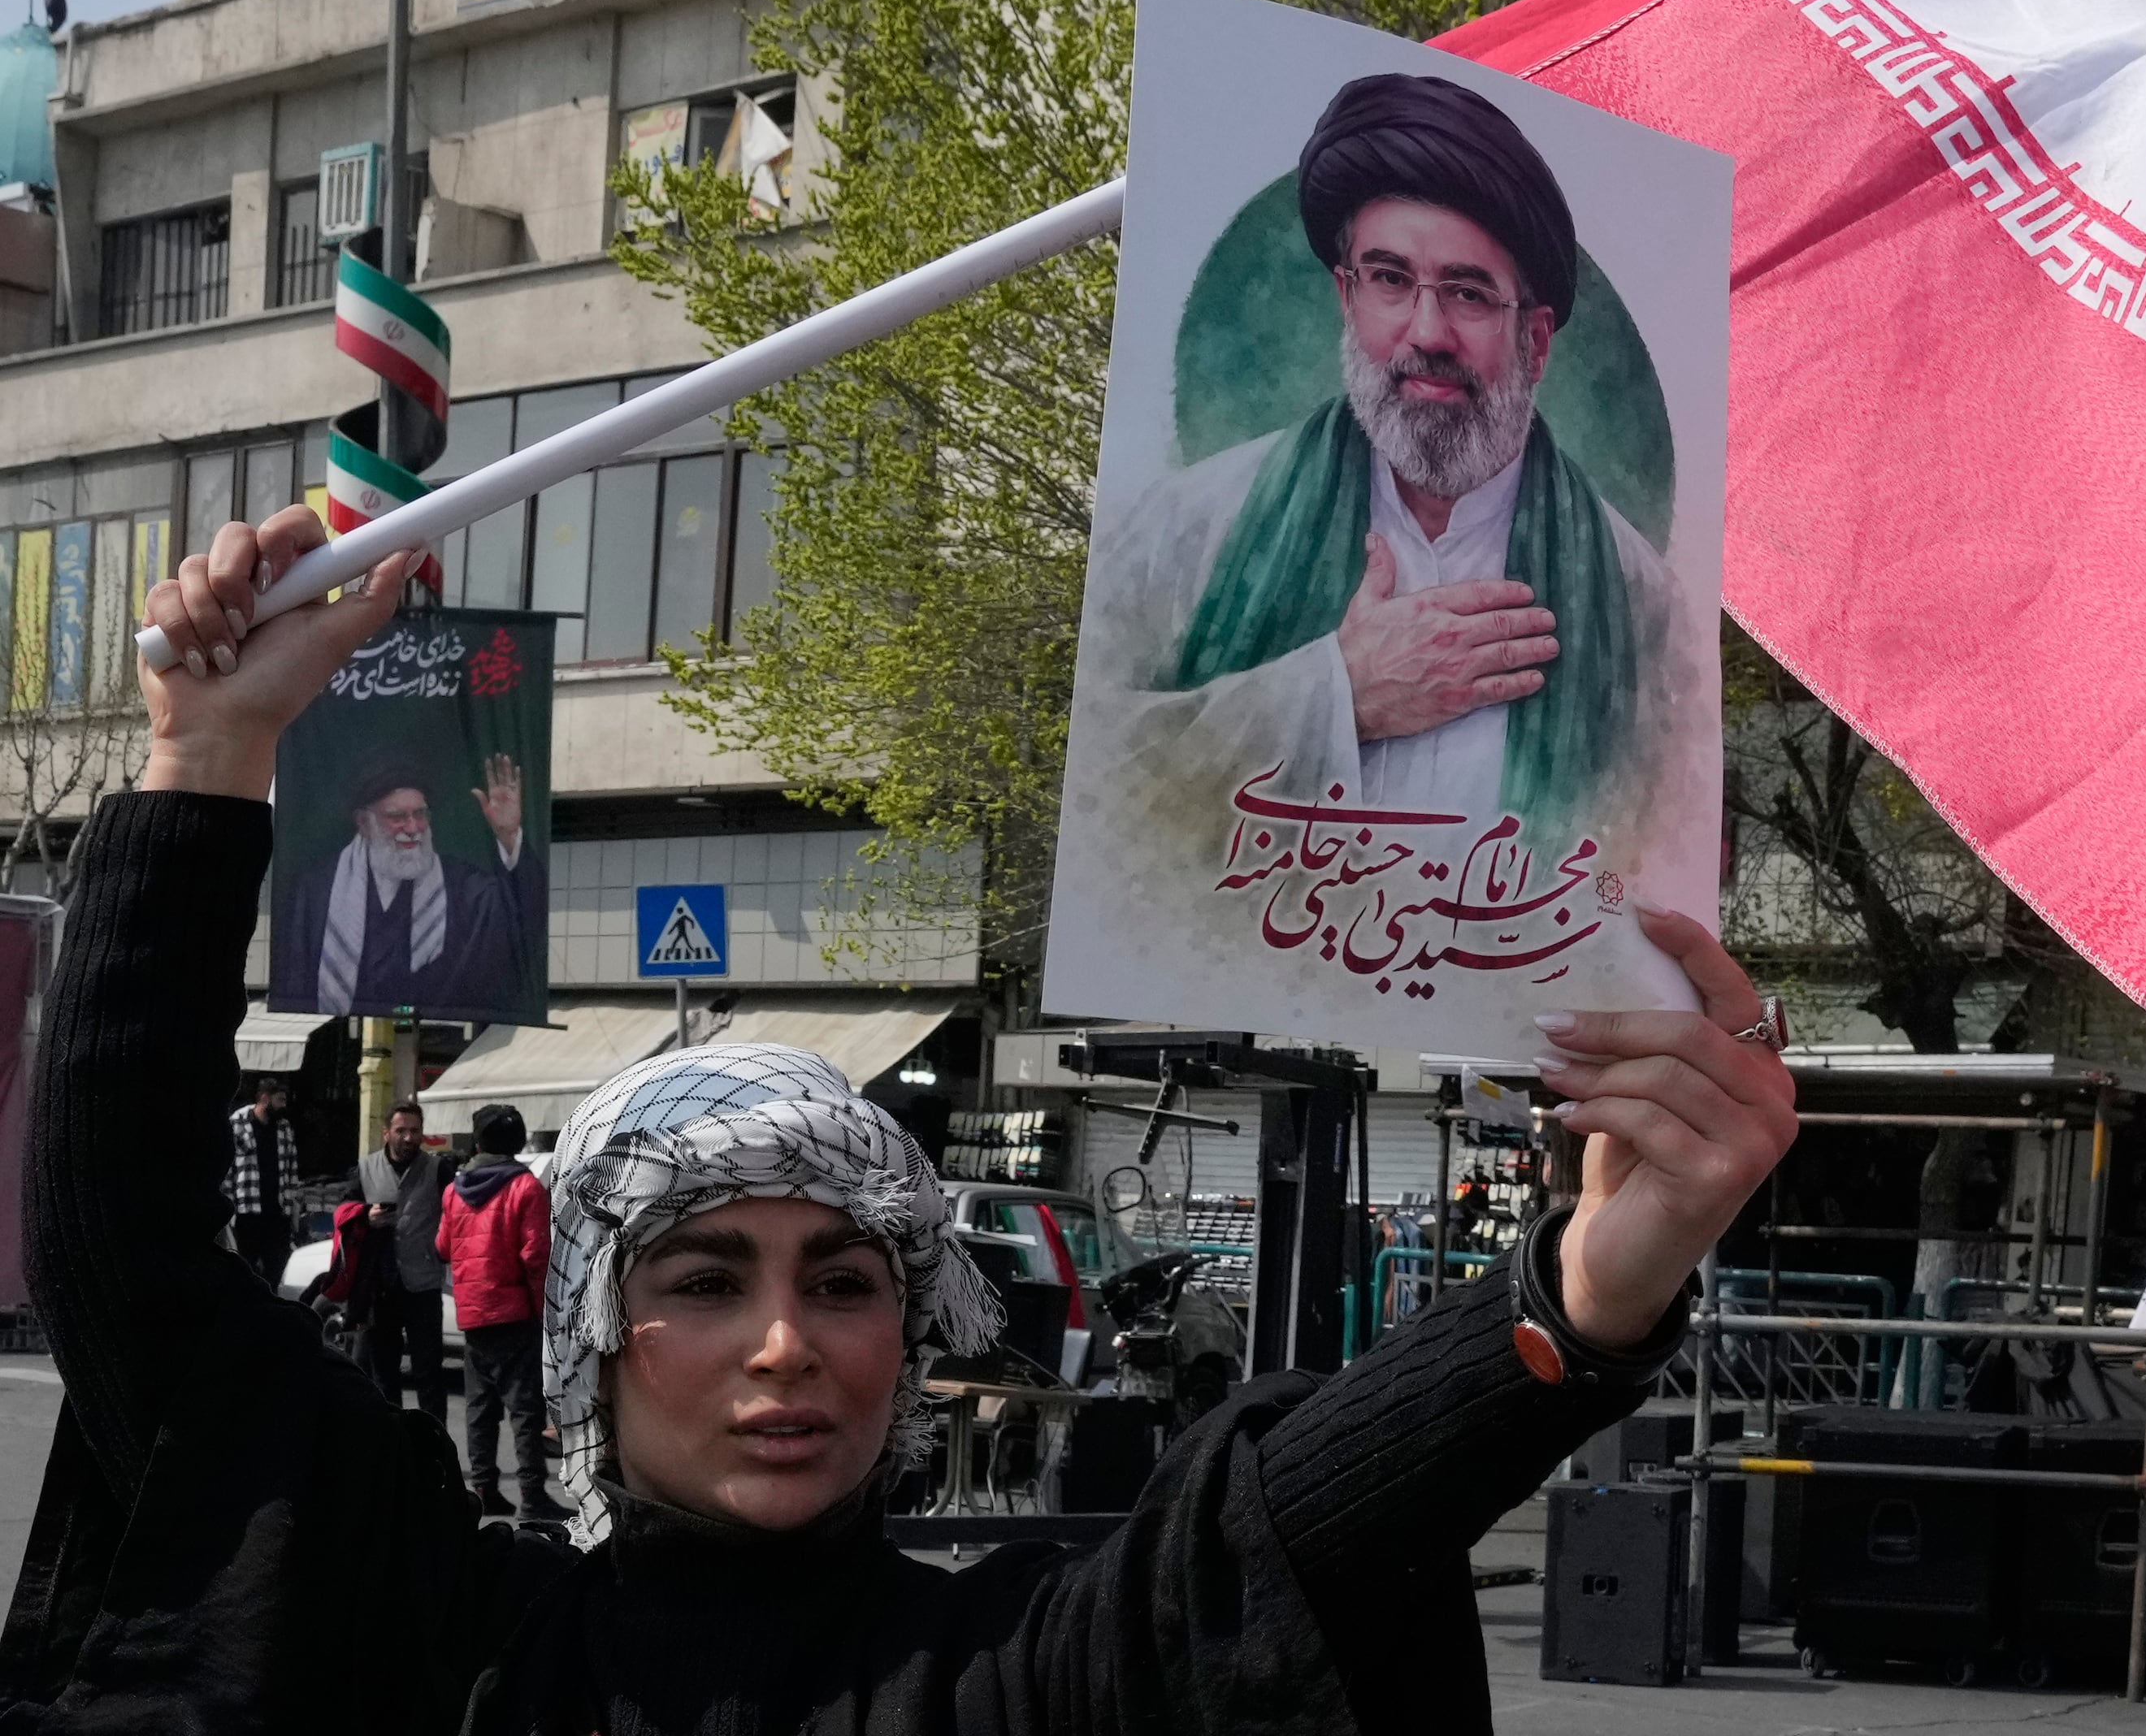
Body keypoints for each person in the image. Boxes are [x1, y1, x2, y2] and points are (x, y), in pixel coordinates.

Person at [0, 504, 1797, 1733]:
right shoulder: (449, 1648)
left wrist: (1589, 1291)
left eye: (844, 1282)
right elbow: (135, 1277)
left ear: (917, 1332)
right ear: (595, 1336)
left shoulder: (1007, 1670)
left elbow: (1287, 1523)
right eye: (706, 1278)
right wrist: (199, 768)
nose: (789, 1345)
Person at [1073, 71, 1698, 865]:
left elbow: (1660, 863)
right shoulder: (1186, 531)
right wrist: (1332, 698)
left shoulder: (1643, 605)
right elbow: (1099, 789)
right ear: (1347, 297)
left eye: (1469, 294)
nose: (1427, 331)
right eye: (1391, 280)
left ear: (1536, 343)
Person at [268, 748, 541, 1017]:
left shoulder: (466, 889)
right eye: (397, 817)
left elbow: (521, 911)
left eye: (420, 815)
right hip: (341, 1040)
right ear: (364, 822)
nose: (413, 829)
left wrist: (508, 835)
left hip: (438, 1041)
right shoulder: (318, 893)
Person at [440, 1101, 565, 1522]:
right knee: (526, 1409)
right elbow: (535, 1255)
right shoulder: (525, 1188)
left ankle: (485, 1490)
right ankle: (533, 1496)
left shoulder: (455, 1191)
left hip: (473, 1315)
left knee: (480, 1410)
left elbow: (443, 1247)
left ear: (478, 1140)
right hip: (514, 1312)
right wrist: (543, 1309)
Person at [357, 1097, 455, 1415]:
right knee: (384, 1372)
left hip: (423, 1282)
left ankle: (433, 1446)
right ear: (387, 1133)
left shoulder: (438, 1169)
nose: (409, 1138)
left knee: (429, 1370)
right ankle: (393, 1444)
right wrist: (365, 1215)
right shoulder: (366, 1167)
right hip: (381, 1284)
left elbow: (455, 1213)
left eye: (415, 1131)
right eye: (401, 1131)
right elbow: (343, 1214)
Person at [222, 1074, 299, 1279]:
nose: (283, 1105)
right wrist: (229, 1211)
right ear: (265, 1098)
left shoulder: (284, 1128)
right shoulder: (237, 1124)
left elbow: (291, 1170)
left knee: (276, 1268)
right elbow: (228, 1171)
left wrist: (290, 1209)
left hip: (277, 1213)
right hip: (248, 1212)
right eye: (279, 1100)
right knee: (245, 1269)